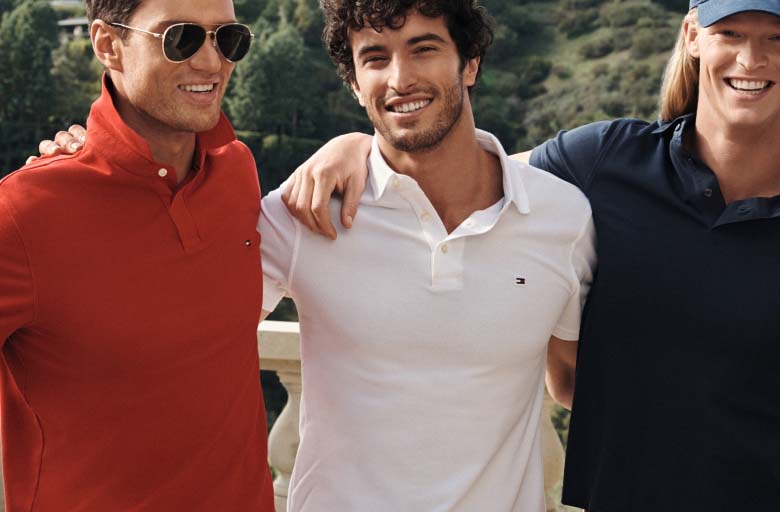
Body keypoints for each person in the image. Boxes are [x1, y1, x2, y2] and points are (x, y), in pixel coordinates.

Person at [278, 0, 780, 510]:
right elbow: (465, 171)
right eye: (731, 33)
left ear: (469, 62)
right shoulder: (606, 163)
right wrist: (357, 147)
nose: (751, 58)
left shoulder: (577, 196)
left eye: (776, 38)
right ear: (692, 36)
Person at [254, 1, 595, 510]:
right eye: (375, 58)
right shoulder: (303, 212)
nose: (400, 78)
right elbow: (187, 346)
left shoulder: (562, 217)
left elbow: (571, 381)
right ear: (355, 84)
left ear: (470, 62)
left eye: (424, 49)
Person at [0, 0, 274, 510]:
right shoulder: (23, 213)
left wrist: (349, 147)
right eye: (180, 39)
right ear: (108, 45)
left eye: (228, 38)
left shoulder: (238, 172)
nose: (211, 62)